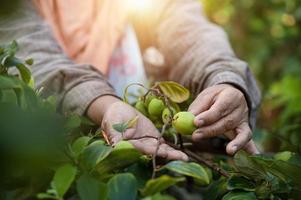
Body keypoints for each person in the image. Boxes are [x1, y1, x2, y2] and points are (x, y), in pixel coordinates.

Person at [0, 0, 261, 161]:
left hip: (147, 143)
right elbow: (30, 53)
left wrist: (226, 79)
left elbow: (187, 28)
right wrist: (106, 106)